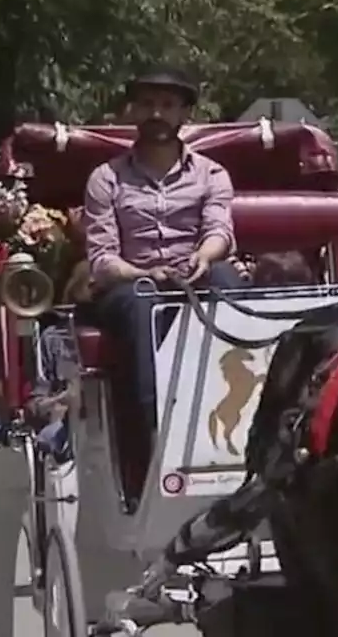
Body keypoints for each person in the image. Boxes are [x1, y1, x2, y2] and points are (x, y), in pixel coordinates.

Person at [83, 65, 245, 424]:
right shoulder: (105, 178)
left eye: (168, 104)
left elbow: (220, 229)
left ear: (184, 113)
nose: (157, 113)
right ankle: (157, 423)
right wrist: (145, 273)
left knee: (227, 280)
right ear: (134, 111)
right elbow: (102, 258)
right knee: (144, 300)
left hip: (194, 276)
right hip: (130, 286)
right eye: (148, 104)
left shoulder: (212, 174)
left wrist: (203, 257)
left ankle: (244, 403)